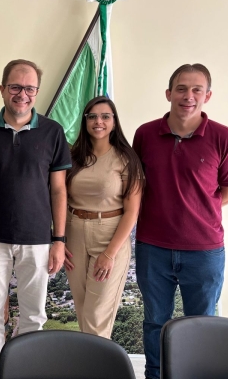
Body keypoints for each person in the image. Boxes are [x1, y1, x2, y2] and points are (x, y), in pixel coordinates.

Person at [132, 63, 228, 379]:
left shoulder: (224, 137)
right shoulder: (145, 134)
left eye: (197, 89)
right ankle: (155, 375)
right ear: (169, 93)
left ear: (207, 96)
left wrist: (197, 209)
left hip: (205, 251)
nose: (188, 96)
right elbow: (135, 184)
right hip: (153, 247)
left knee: (202, 323)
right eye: (181, 88)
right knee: (155, 321)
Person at [0, 59, 71, 379]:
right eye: (15, 87)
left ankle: (26, 369)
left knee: (34, 314)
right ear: (2, 89)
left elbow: (59, 190)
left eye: (29, 88)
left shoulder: (53, 132)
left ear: (37, 92)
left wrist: (58, 240)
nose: (22, 94)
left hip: (37, 239)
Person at [63, 96, 143, 338]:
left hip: (109, 236)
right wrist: (59, 239)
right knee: (82, 310)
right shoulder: (73, 156)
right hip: (74, 234)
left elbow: (132, 211)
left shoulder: (126, 158)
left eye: (105, 116)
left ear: (114, 122)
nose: (99, 121)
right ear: (85, 121)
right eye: (93, 117)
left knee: (97, 315)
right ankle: (91, 358)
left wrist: (109, 254)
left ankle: (96, 360)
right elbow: (60, 198)